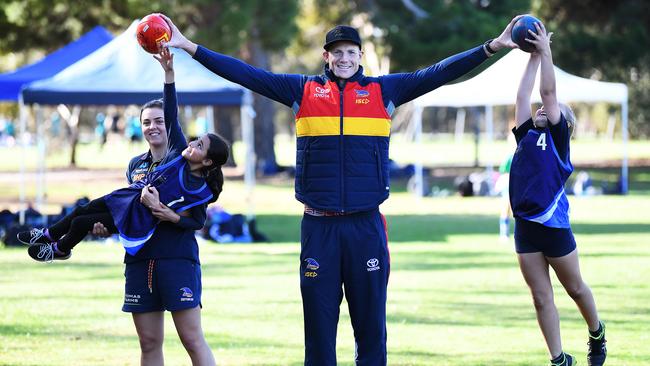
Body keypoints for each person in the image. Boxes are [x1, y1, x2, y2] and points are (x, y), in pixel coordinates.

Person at [162, 13, 522, 365]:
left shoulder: (384, 91)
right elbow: (246, 73)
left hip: (365, 227)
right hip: (319, 227)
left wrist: (492, 46)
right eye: (338, 52)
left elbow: (439, 72)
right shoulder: (302, 90)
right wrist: (188, 46)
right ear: (326, 57)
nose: (345, 58)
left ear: (360, 56)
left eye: (352, 52)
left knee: (371, 331)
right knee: (319, 332)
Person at [18, 47, 230, 264]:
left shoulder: (200, 189)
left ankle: (59, 249)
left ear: (207, 161)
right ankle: (49, 235)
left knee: (80, 223)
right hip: (126, 201)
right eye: (146, 122)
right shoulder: (170, 154)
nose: (192, 143)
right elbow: (172, 113)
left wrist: (169, 214)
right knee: (83, 211)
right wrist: (169, 74)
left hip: (139, 219)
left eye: (199, 145)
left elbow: (195, 222)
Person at [510, 21, 606, 366]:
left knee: (575, 289)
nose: (542, 108)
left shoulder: (558, 140)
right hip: (525, 225)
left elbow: (549, 96)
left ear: (564, 124)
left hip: (552, 226)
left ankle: (596, 333)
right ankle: (558, 359)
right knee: (540, 297)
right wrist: (533, 55)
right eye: (541, 109)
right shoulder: (525, 135)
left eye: (553, 112)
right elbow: (524, 96)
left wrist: (547, 50)